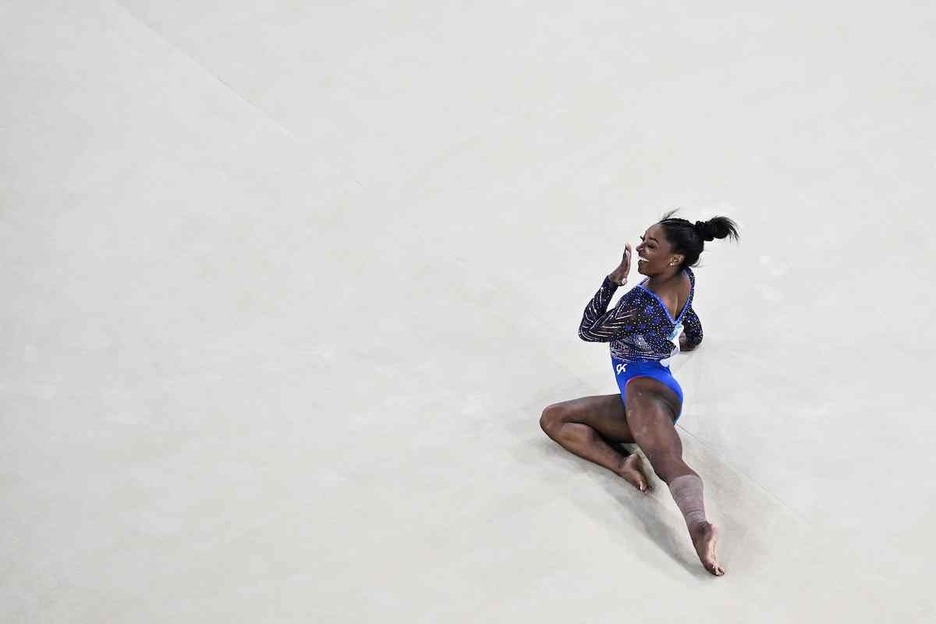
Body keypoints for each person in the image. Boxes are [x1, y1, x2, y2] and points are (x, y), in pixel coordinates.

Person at [540, 211, 740, 576]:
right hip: (643, 391)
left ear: (674, 258)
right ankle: (622, 463)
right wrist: (692, 338)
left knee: (668, 463)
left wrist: (611, 282)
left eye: (651, 245)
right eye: (643, 240)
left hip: (647, 394)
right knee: (554, 418)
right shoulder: (685, 278)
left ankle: (699, 527)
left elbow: (588, 330)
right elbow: (687, 313)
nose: (642, 250)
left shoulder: (640, 304)